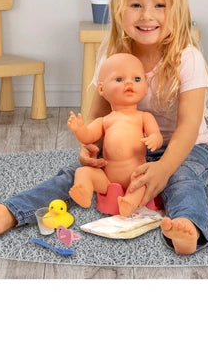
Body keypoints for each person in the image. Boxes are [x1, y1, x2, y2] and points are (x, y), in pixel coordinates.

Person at [0, 0, 208, 254]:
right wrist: (90, 146)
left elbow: (188, 125)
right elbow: (98, 113)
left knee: (183, 179)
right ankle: (8, 213)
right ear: (119, 9)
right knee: (71, 175)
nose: (147, 15)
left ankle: (187, 228)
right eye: (136, 5)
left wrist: (165, 167)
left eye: (160, 5)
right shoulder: (112, 55)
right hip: (128, 149)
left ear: (178, 10)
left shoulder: (187, 57)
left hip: (185, 147)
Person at [66, 51, 163, 216]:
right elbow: (88, 137)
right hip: (107, 178)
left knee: (144, 182)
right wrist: (78, 129)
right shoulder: (105, 121)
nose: (129, 83)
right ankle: (84, 192)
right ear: (102, 89)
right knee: (82, 172)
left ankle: (129, 203)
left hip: (135, 174)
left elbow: (157, 135)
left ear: (145, 87)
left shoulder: (143, 117)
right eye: (119, 79)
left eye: (137, 79)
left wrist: (154, 139)